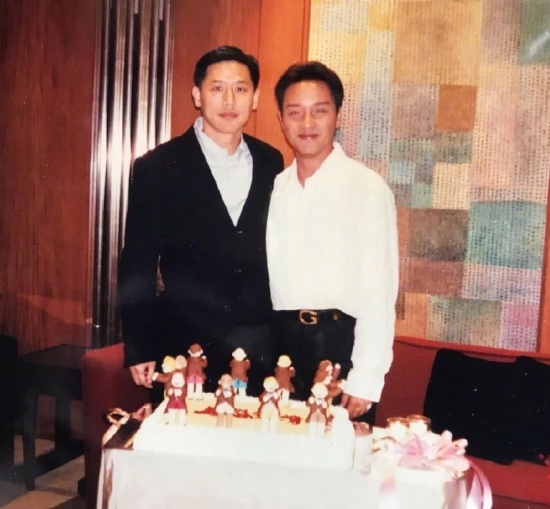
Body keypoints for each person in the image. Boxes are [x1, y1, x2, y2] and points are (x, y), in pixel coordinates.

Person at [118, 46, 284, 402]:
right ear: (197, 95)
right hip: (184, 341)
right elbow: (137, 262)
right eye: (217, 88)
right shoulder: (157, 166)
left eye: (240, 89)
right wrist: (138, 346)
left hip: (257, 343)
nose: (229, 100)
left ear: (255, 98)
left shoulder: (272, 161)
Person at [267, 61, 399, 423]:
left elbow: (379, 289)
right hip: (281, 348)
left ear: (337, 116)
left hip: (340, 346)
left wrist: (367, 377)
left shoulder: (367, 188)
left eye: (319, 111)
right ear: (281, 120)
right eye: (295, 112)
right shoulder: (277, 188)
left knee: (336, 454)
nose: (307, 123)